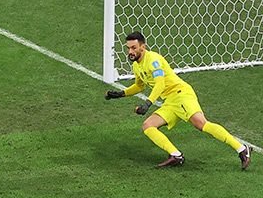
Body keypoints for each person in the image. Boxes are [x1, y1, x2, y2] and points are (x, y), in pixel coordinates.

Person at [105, 32, 252, 169]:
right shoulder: (136, 65)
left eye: (133, 48)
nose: (130, 52)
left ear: (143, 47)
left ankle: (241, 148)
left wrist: (147, 104)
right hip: (170, 101)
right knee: (148, 126)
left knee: (201, 124)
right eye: (128, 48)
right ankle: (176, 155)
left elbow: (160, 83)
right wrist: (120, 94)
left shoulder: (153, 61)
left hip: (181, 94)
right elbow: (139, 85)